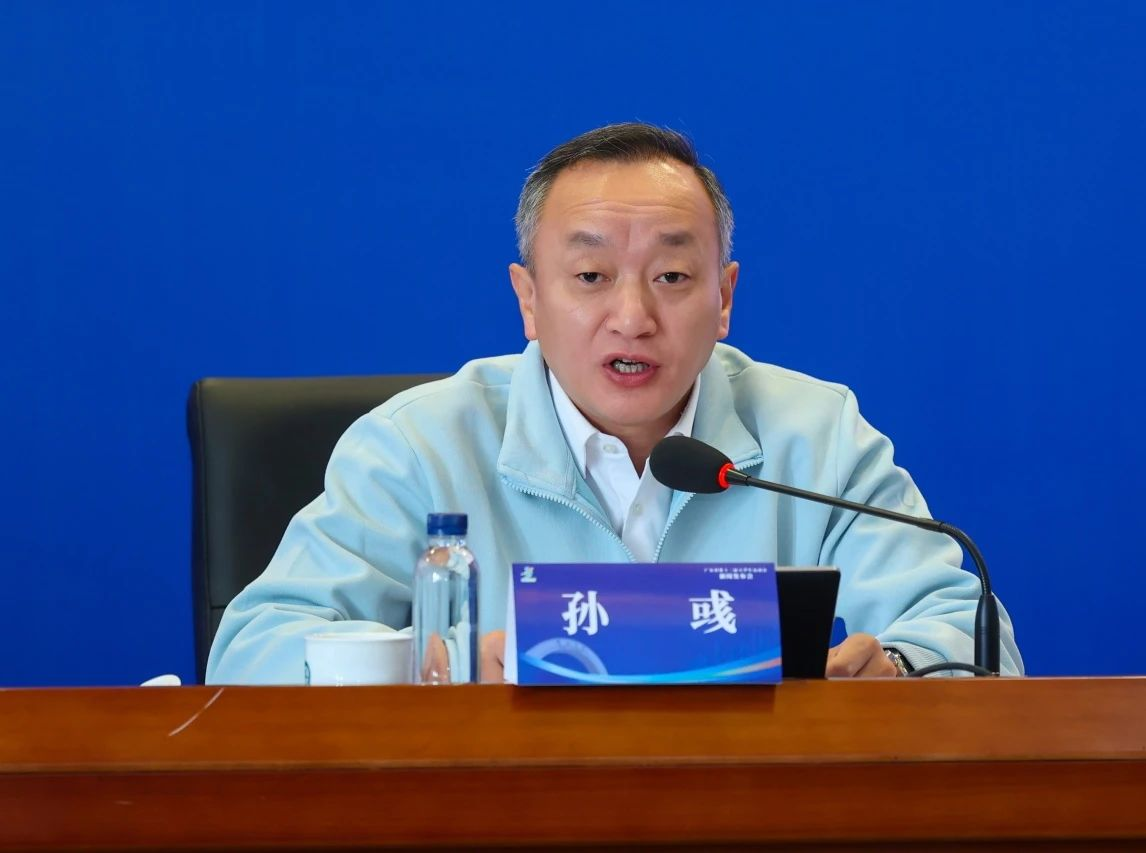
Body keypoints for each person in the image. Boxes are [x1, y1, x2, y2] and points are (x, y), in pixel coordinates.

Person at [206, 123, 1023, 684]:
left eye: (672, 276)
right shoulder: (417, 447)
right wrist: (443, 664)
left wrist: (900, 671)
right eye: (591, 276)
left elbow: (972, 639)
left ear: (725, 297)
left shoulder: (816, 436)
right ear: (529, 299)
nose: (632, 316)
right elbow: (252, 655)